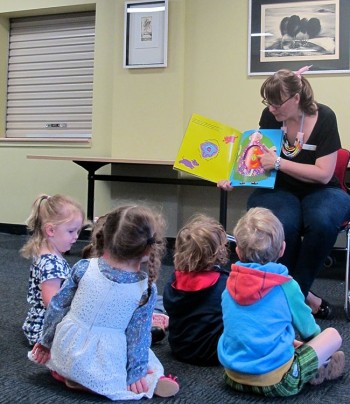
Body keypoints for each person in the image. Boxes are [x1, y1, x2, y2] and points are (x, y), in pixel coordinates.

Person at [218, 66, 350, 318]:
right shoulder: (271, 117)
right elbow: (257, 159)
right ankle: (304, 298)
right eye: (268, 103)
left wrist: (279, 163)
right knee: (281, 226)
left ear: (296, 99)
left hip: (322, 189)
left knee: (322, 222)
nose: (271, 109)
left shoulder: (325, 117)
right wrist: (235, 178)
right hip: (280, 188)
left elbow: (323, 173)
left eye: (277, 103)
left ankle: (292, 295)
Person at [29, 205, 179, 400]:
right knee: (143, 364)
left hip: (65, 349)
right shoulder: (146, 289)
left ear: (105, 237)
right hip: (105, 357)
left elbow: (57, 306)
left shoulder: (83, 267)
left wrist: (46, 342)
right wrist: (137, 372)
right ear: (149, 249)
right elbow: (138, 336)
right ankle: (151, 382)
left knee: (69, 361)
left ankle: (67, 374)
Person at [218, 207, 345, 397]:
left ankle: (309, 365)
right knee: (332, 335)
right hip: (279, 382)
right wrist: (317, 346)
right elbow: (309, 331)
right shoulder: (287, 286)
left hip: (232, 377)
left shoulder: (229, 283)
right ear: (283, 249)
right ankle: (317, 365)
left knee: (282, 338)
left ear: (237, 250)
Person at [82, 214, 170, 345]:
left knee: (159, 299)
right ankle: (154, 319)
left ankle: (156, 316)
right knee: (154, 301)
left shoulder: (85, 266)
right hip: (114, 329)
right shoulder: (135, 281)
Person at [163, 214, 229, 366]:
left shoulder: (173, 282)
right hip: (213, 353)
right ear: (218, 251)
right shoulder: (225, 284)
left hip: (179, 349)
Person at [21, 193, 85, 346]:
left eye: (78, 231)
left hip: (48, 323)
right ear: (51, 231)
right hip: (45, 329)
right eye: (71, 231)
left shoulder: (49, 254)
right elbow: (51, 302)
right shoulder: (51, 264)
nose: (76, 237)